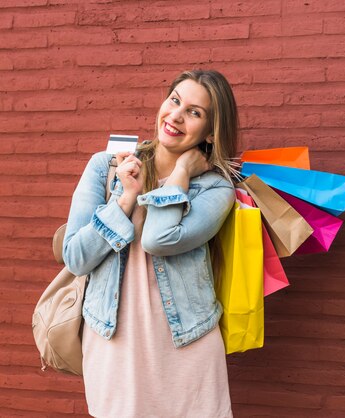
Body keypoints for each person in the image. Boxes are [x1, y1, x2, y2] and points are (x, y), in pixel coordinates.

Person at [63, 70, 238, 418]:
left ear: (211, 131)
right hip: (115, 342)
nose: (175, 115)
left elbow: (159, 239)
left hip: (187, 343)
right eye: (174, 100)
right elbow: (76, 258)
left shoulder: (217, 189)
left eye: (194, 112)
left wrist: (181, 174)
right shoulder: (106, 168)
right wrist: (125, 199)